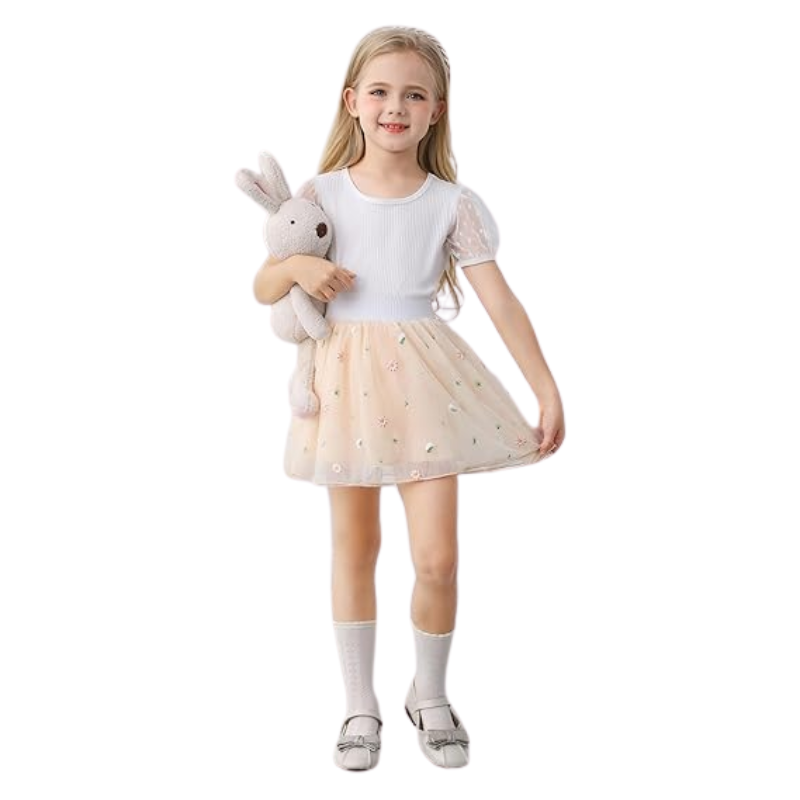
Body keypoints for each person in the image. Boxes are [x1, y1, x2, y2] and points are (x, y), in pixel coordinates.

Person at [252, 25, 565, 771]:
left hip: (425, 388)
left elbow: (501, 302)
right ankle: (359, 703)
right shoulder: (320, 195)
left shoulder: (451, 203)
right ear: (352, 102)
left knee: (437, 559)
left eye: (414, 95)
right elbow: (263, 285)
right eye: (381, 91)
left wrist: (546, 387)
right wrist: (299, 267)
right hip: (344, 388)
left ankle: (429, 692)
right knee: (355, 547)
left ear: (436, 111)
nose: (396, 106)